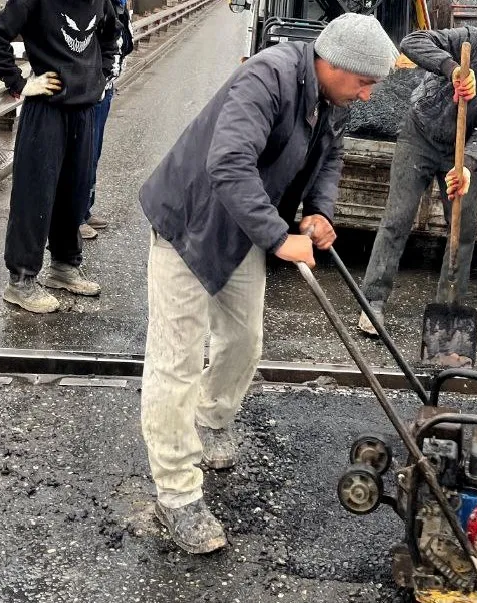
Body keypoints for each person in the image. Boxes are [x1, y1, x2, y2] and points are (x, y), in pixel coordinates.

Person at [137, 14, 396, 554]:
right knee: (176, 361)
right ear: (333, 64)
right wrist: (280, 238)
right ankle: (177, 494)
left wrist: (319, 212)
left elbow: (330, 157)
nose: (369, 96)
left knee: (243, 341)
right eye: (365, 83)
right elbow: (228, 162)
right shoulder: (268, 77)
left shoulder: (333, 100)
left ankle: (211, 421)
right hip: (191, 223)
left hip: (242, 229)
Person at [356, 12, 477, 336]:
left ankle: (449, 308)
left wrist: (468, 165)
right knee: (397, 219)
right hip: (420, 135)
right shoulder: (471, 41)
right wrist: (454, 70)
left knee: (463, 229)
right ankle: (372, 303)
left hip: (461, 150)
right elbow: (412, 42)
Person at [0, 0, 120, 313]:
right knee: (35, 195)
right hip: (46, 110)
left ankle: (64, 266)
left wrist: (103, 74)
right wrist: (20, 84)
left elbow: (112, 35)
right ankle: (21, 281)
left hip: (84, 109)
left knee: (75, 193)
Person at [80, 0, 135, 240]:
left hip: (105, 89)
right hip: (90, 92)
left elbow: (124, 42)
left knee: (93, 154)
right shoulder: (95, 5)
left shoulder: (116, 6)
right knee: (83, 156)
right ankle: (74, 218)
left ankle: (85, 209)